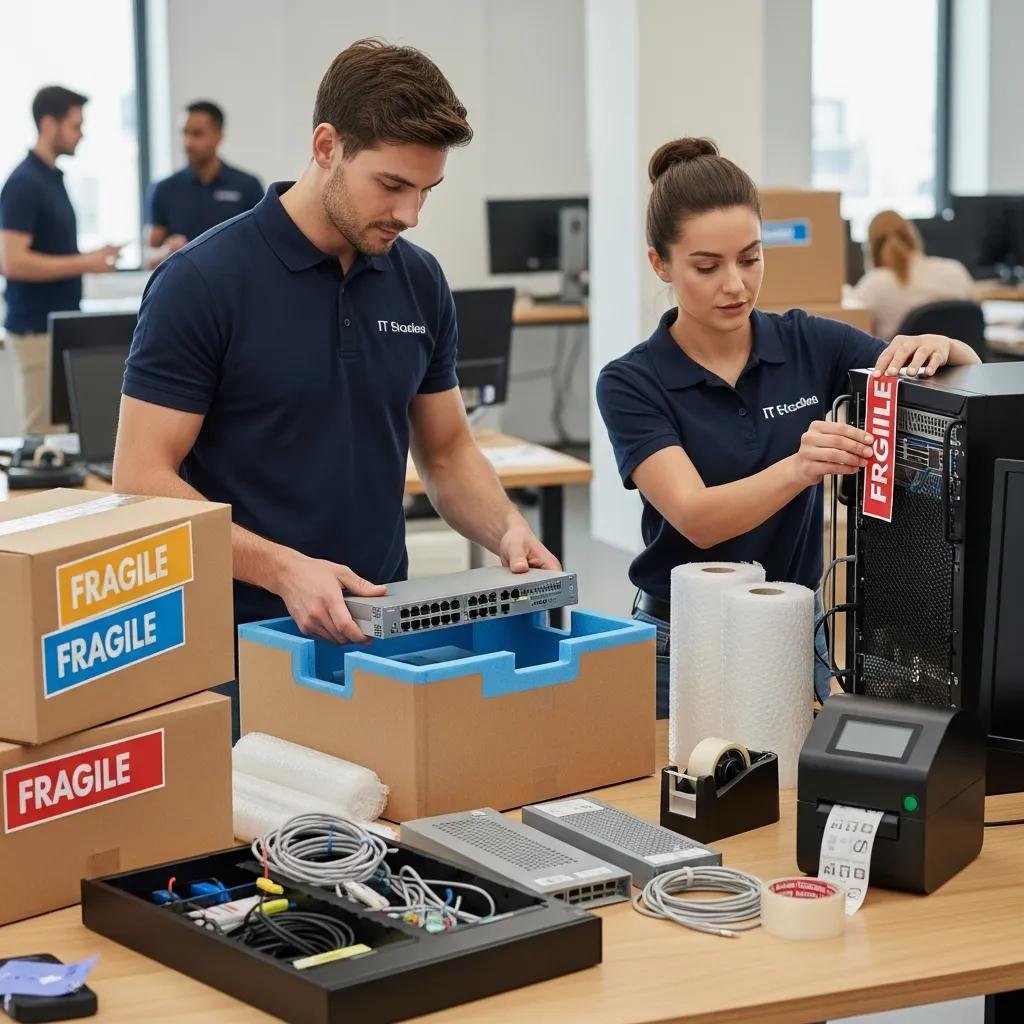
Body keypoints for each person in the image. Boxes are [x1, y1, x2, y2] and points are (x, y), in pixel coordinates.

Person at [114, 39, 558, 738]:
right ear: (327, 146)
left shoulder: (419, 281)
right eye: (391, 186)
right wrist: (285, 570)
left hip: (384, 630)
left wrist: (506, 530)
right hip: (240, 644)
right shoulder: (201, 282)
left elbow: (444, 454)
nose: (411, 214)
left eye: (426, 192)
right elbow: (140, 478)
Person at [596, 138, 981, 719]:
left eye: (751, 258)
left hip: (793, 632)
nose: (736, 284)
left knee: (797, 800)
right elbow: (697, 517)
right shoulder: (631, 381)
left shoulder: (808, 343)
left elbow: (960, 393)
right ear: (661, 263)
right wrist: (800, 468)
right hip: (678, 645)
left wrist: (949, 347)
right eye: (707, 266)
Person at [0, 85, 120, 433]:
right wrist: (86, 262)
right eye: (75, 125)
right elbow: (12, 262)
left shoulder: (51, 180)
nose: (81, 134)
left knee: (63, 435)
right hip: (36, 329)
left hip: (59, 327)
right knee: (44, 440)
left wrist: (94, 258)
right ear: (50, 124)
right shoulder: (24, 183)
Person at [145, 100, 263, 266]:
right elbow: (149, 260)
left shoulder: (247, 186)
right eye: (184, 133)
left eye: (197, 134)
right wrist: (166, 252)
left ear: (219, 137)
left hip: (232, 283)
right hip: (182, 284)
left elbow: (262, 247)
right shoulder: (163, 189)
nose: (188, 143)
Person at [853, 210, 975, 340]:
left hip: (906, 360)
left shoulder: (874, 283)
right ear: (913, 237)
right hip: (962, 359)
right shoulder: (955, 270)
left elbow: (859, 337)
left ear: (871, 248)